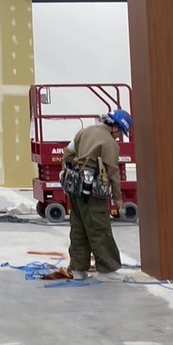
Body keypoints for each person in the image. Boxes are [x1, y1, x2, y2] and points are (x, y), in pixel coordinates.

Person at [62, 108, 132, 280]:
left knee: (78, 227)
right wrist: (118, 199)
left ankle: (78, 270)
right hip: (92, 192)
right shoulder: (109, 143)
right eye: (120, 133)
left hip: (75, 188)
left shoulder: (84, 131)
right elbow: (113, 172)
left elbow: (68, 153)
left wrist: (70, 169)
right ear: (115, 127)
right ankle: (107, 271)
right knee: (99, 229)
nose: (119, 137)